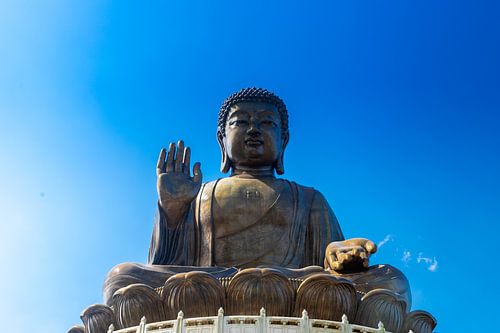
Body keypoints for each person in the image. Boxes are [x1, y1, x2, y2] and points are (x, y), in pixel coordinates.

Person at [104, 88, 410, 307]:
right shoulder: (200, 195)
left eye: (267, 123)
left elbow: (331, 264)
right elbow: (166, 264)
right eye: (240, 122)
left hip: (295, 285)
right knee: (122, 278)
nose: (253, 130)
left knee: (390, 280)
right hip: (210, 285)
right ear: (222, 141)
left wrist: (340, 256)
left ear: (283, 141)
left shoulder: (308, 198)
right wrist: (172, 211)